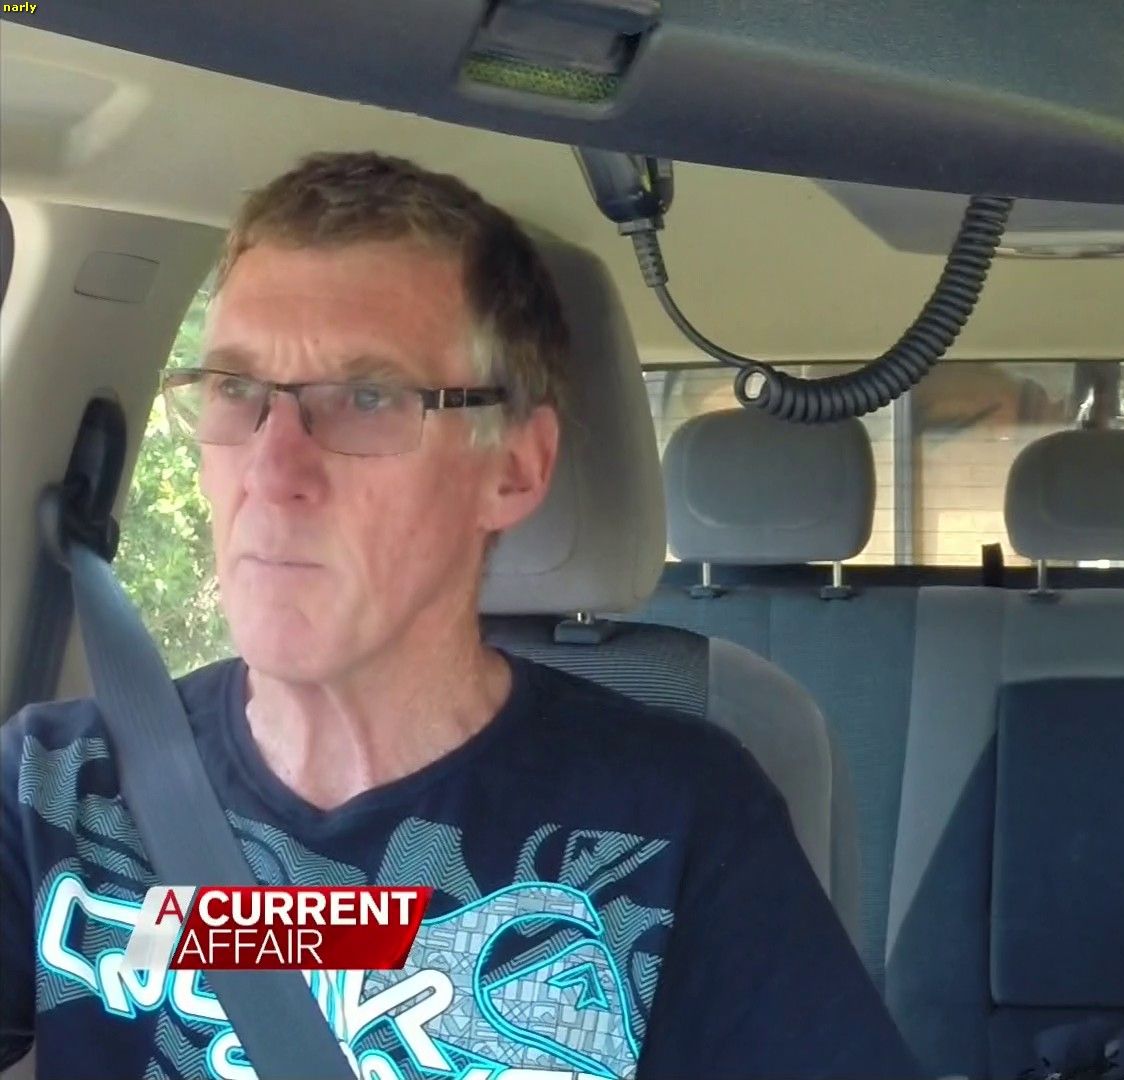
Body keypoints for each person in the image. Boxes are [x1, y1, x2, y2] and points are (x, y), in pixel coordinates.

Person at [0, 151, 921, 1080]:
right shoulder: (54, 788)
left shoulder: (680, 823)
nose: (271, 474)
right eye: (237, 390)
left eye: (367, 399)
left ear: (513, 469)